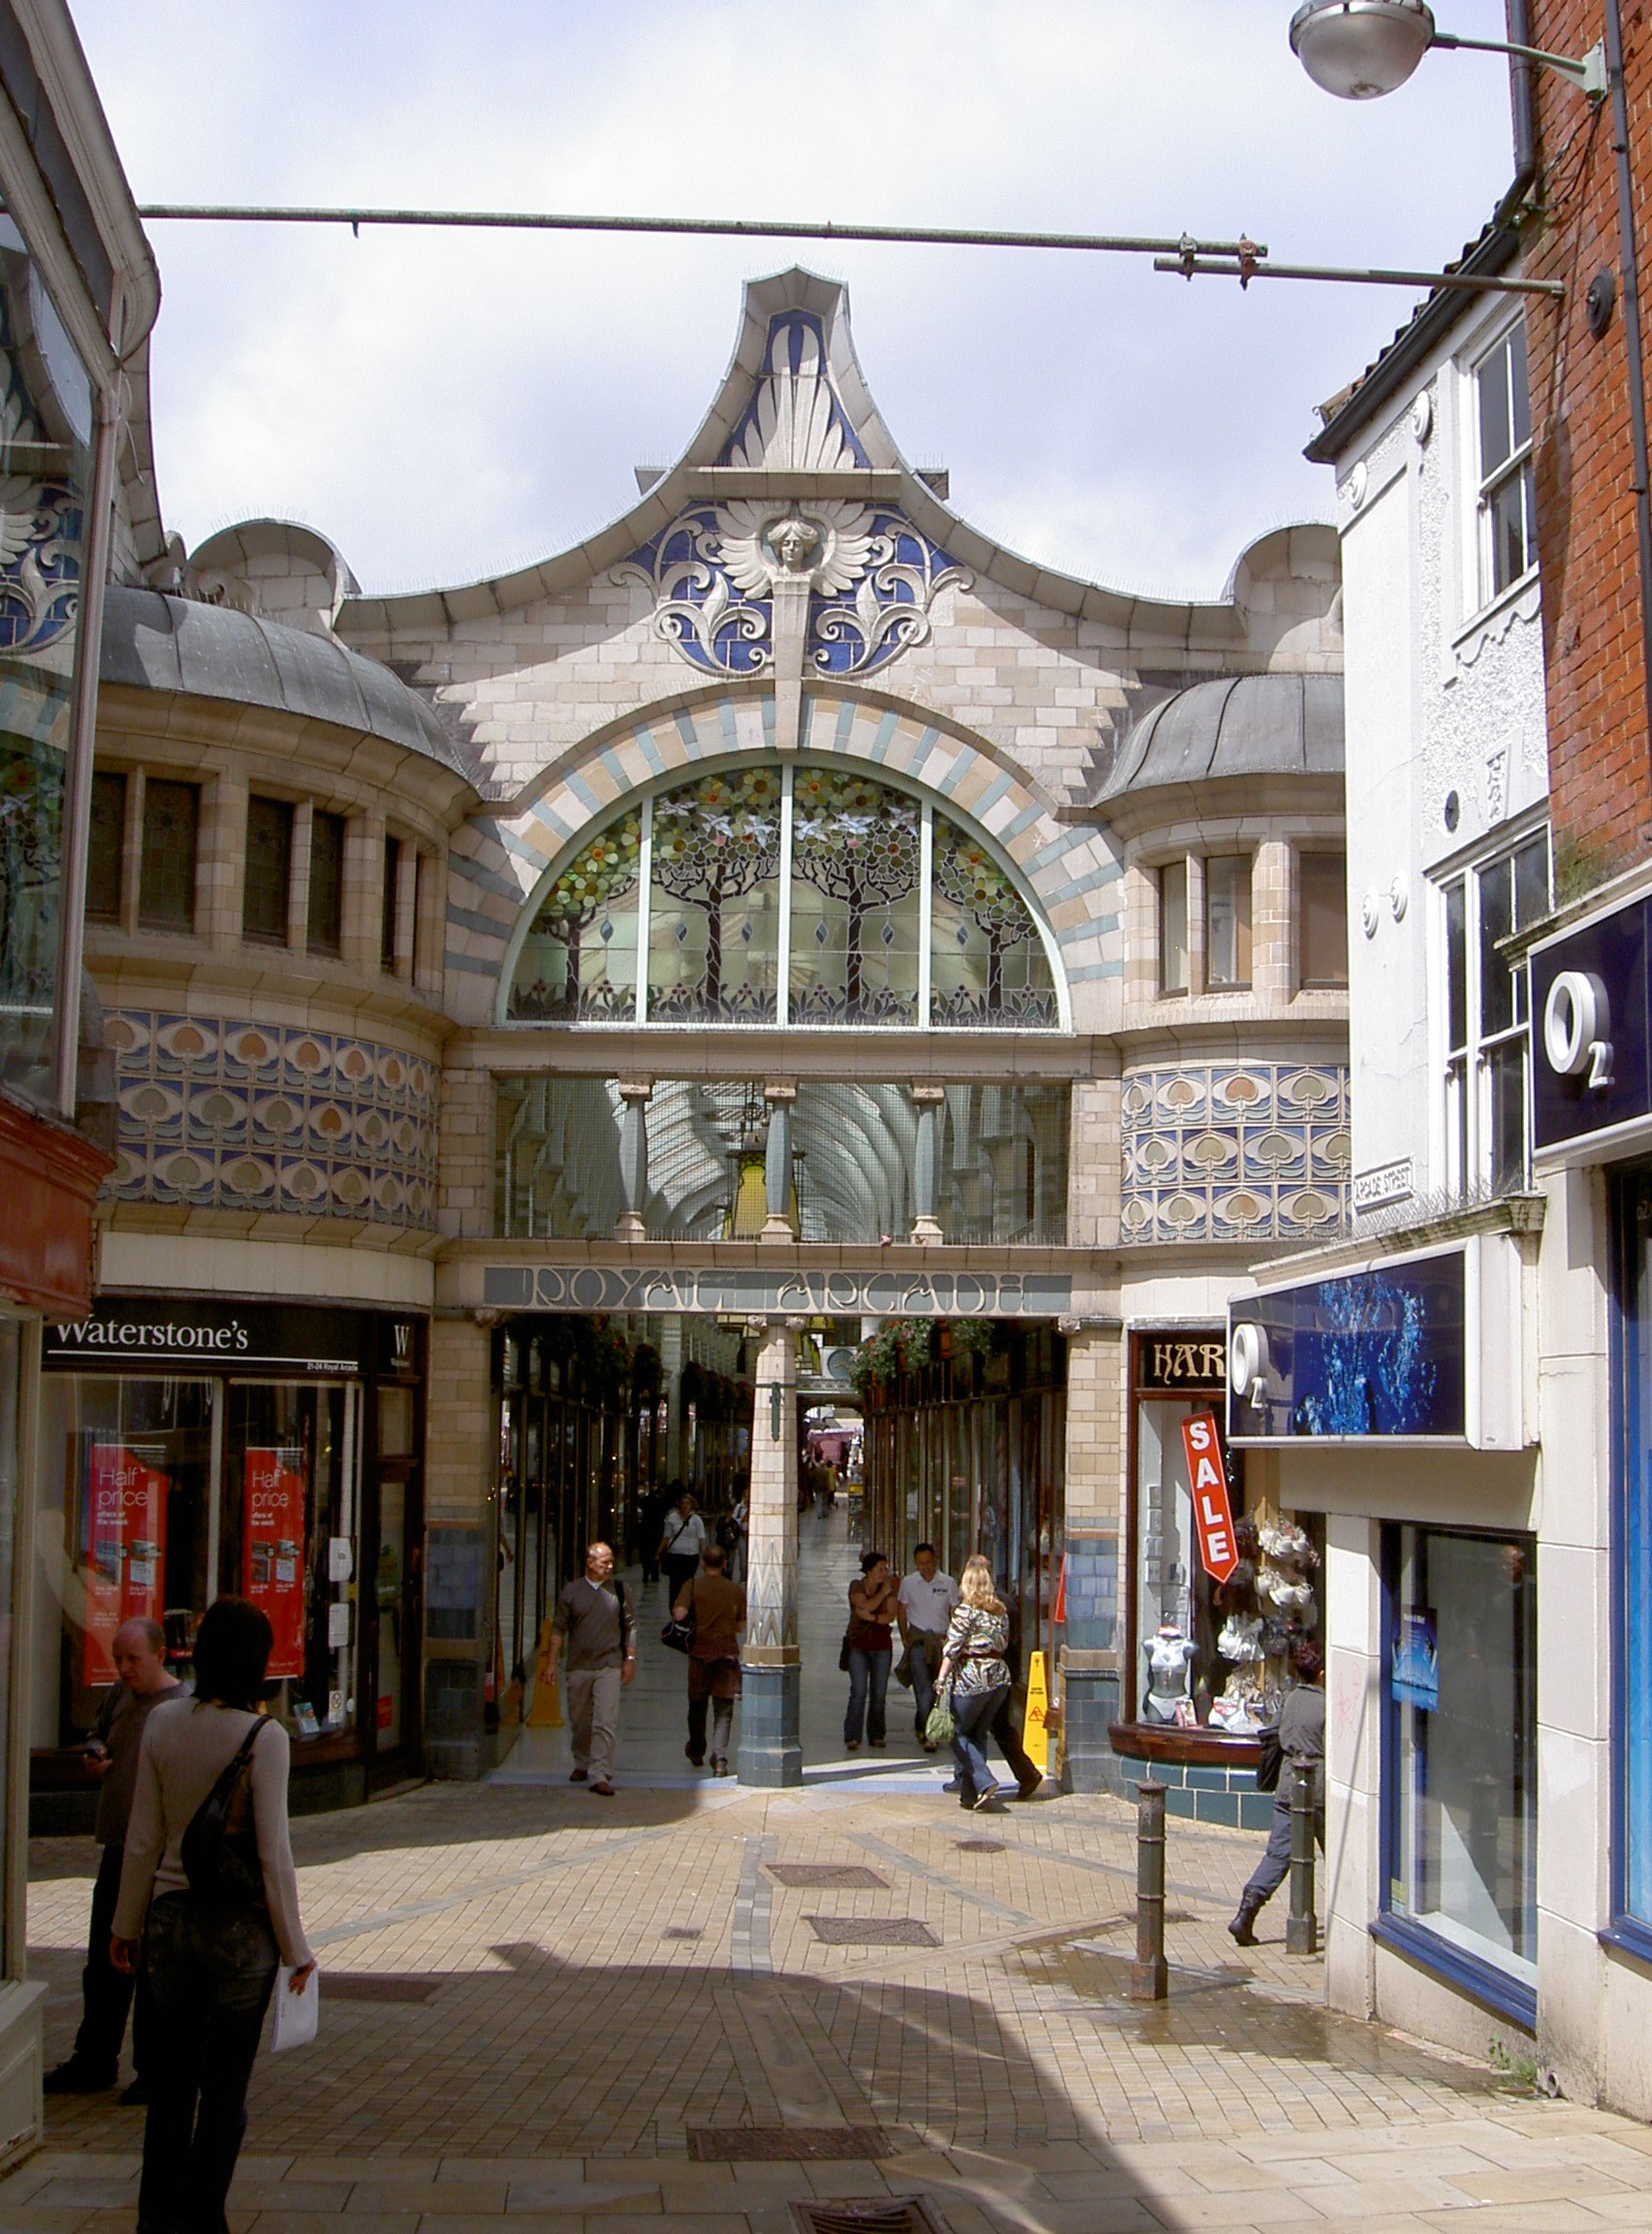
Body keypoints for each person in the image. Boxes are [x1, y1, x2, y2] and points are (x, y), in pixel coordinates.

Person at [111, 1597, 315, 2234]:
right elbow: (272, 1854)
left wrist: (125, 1926)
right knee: (225, 2090)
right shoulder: (265, 1737)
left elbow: (142, 1835)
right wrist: (296, 1948)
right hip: (238, 1935)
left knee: (169, 2083)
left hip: (169, 1924)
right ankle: (205, 2215)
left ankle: (157, 2216)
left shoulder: (164, 1723)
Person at [44, 1617, 182, 2104]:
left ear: (159, 1655)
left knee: (149, 1963)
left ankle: (153, 2067)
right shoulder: (120, 1696)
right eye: (118, 1659)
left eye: (132, 1660)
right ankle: (94, 2057)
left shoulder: (178, 1709)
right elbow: (98, 1731)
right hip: (116, 1844)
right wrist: (95, 1752)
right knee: (104, 1959)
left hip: (157, 1855)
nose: (123, 1669)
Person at [1228, 1638, 1326, 1946]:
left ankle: (1246, 1911)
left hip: (1287, 1786)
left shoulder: (1289, 1699)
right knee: (1340, 1854)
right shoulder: (1327, 1705)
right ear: (1321, 1674)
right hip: (1319, 1789)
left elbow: (1280, 1734)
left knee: (1278, 1854)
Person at [546, 1542, 636, 1795]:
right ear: (589, 1562)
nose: (609, 1566)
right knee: (580, 1721)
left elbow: (631, 1626)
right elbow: (558, 1629)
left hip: (609, 1664)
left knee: (605, 1721)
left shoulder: (620, 1590)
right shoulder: (571, 1591)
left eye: (611, 1562)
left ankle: (600, 1772)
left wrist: (630, 1659)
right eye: (603, 1562)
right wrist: (551, 1662)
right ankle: (582, 1762)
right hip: (578, 1667)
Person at [937, 1553, 1013, 1810]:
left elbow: (952, 1648)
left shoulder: (965, 1610)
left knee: (956, 1733)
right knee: (978, 1733)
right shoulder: (1000, 1612)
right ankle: (971, 1795)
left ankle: (984, 1779)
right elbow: (1004, 1642)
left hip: (972, 1679)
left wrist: (940, 1678)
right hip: (999, 1679)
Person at [673, 1544, 747, 1774]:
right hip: (726, 1654)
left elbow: (679, 1614)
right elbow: (740, 1625)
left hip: (699, 1654)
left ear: (703, 1563)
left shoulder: (692, 1585)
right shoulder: (735, 1590)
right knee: (724, 1707)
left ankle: (696, 1748)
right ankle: (720, 1758)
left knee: (697, 1704)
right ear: (725, 1564)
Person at [896, 1544, 959, 1753]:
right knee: (923, 1690)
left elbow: (954, 1611)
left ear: (936, 1560)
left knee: (938, 1689)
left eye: (929, 1562)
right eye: (921, 1564)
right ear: (916, 1564)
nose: (926, 1568)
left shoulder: (948, 1583)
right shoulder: (909, 1583)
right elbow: (901, 1609)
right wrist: (905, 1637)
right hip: (919, 1642)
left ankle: (921, 1725)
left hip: (941, 1642)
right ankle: (930, 1735)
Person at [843, 1549, 900, 1752]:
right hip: (858, 1644)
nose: (884, 1573)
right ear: (868, 1570)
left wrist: (873, 1617)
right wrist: (881, 1596)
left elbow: (890, 1616)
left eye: (885, 1569)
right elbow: (863, 1604)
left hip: (881, 1646)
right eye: (880, 1569)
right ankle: (852, 1735)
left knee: (879, 1692)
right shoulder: (856, 1586)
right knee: (859, 1690)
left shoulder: (890, 1590)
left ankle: (876, 1733)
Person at [657, 1490, 707, 1605]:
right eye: (683, 1503)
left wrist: (704, 1556)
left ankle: (686, 1606)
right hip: (675, 1556)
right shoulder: (672, 1518)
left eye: (687, 1503)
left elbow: (701, 1539)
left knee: (688, 1583)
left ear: (691, 1505)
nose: (684, 1506)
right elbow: (666, 1537)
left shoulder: (696, 1520)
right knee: (675, 1583)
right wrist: (659, 1552)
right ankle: (674, 1605)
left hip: (691, 1556)